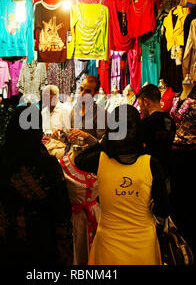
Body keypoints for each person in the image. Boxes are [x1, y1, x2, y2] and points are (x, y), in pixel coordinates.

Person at [0, 97, 74, 265]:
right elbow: (62, 215)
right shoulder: (49, 165)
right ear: (38, 129)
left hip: (5, 246)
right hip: (41, 248)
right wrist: (65, 257)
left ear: (12, 127)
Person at [74, 104, 170, 265]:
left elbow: (78, 159)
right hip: (143, 244)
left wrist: (104, 141)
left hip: (108, 244)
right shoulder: (151, 164)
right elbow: (164, 209)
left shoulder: (99, 160)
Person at [136, 84, 176, 188]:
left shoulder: (146, 123)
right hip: (167, 171)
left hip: (149, 173)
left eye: (140, 105)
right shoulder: (171, 121)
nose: (141, 109)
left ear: (146, 101)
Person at [54, 75, 108, 146]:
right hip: (73, 153)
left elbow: (102, 144)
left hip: (91, 155)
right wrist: (62, 134)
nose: (82, 94)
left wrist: (86, 136)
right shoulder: (73, 111)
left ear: (95, 94)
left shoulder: (101, 114)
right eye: (81, 89)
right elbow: (70, 139)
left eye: (87, 91)